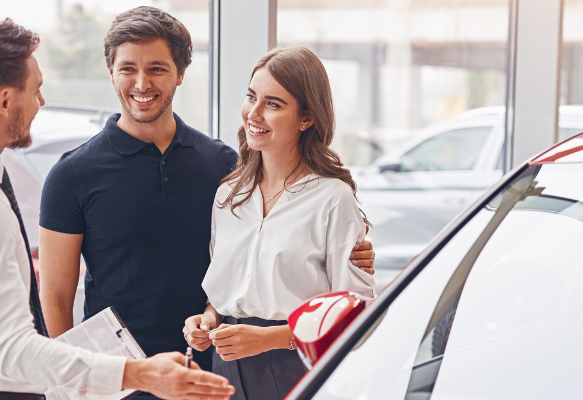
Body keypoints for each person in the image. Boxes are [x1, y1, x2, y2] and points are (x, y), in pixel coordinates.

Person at [0, 17, 234, 400]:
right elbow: (14, 349)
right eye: (36, 90)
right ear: (4, 101)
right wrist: (141, 374)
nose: (41, 103)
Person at [37, 5, 375, 377]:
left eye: (157, 68)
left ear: (181, 73)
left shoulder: (224, 169)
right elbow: (54, 298)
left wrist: (345, 249)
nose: (141, 83)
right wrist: (76, 379)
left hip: (210, 370)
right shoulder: (72, 174)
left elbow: (279, 253)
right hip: (123, 377)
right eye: (128, 69)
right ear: (111, 72)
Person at [183, 47, 376, 400]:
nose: (253, 114)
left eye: (273, 104)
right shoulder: (229, 195)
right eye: (251, 97)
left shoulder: (332, 199)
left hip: (296, 364)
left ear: (307, 118)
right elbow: (224, 291)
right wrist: (208, 320)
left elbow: (358, 315)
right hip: (225, 363)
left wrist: (270, 339)